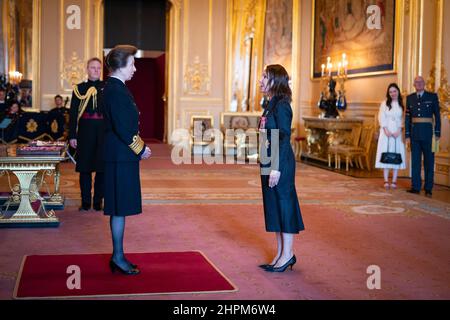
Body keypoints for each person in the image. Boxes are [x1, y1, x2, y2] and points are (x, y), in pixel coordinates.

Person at [103, 45, 151, 275]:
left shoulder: (116, 87)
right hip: (120, 157)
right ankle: (118, 258)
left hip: (120, 156)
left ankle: (118, 256)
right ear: (121, 65)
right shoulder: (115, 90)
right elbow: (123, 127)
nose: (134, 68)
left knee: (119, 208)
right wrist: (140, 149)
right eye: (132, 63)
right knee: (119, 208)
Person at [257, 64, 305, 273]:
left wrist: (276, 168)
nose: (260, 80)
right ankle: (280, 253)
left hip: (280, 163)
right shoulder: (271, 103)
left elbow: (284, 137)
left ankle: (288, 254)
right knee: (274, 206)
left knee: (284, 206)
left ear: (275, 81)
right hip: (269, 160)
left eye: (264, 77)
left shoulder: (283, 105)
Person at [69, 58, 105, 211]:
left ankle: (97, 202)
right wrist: (72, 135)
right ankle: (85, 202)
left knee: (102, 169)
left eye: (98, 68)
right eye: (93, 67)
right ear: (87, 69)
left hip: (103, 131)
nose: (96, 70)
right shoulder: (79, 89)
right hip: (85, 131)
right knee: (84, 169)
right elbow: (73, 114)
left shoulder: (107, 87)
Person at [405, 76, 441, 197]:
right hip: (415, 135)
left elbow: (437, 116)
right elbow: (407, 118)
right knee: (415, 162)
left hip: (429, 135)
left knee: (429, 162)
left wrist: (437, 133)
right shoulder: (410, 98)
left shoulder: (432, 97)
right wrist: (407, 135)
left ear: (424, 84)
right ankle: (415, 187)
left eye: (421, 82)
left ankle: (428, 188)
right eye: (416, 82)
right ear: (414, 84)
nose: (419, 84)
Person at [375, 83, 406, 189]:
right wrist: (385, 129)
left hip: (397, 132)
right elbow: (381, 117)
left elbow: (403, 119)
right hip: (386, 132)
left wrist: (399, 129)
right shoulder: (384, 104)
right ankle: (385, 180)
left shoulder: (402, 104)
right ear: (388, 93)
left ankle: (394, 181)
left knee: (396, 155)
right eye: (390, 92)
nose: (393, 93)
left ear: (398, 91)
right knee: (386, 155)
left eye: (394, 91)